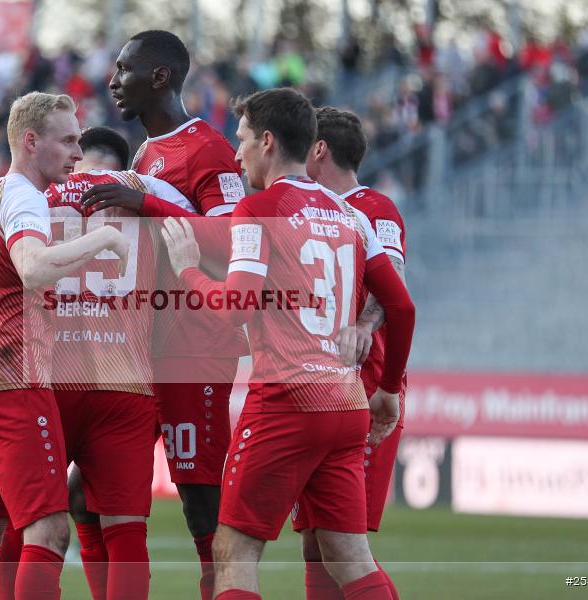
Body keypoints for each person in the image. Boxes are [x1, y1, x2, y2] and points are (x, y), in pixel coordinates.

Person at [159, 88, 415, 600]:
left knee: (233, 550)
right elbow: (402, 307)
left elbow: (236, 307)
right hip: (345, 405)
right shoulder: (353, 218)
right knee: (350, 557)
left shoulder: (258, 210)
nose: (237, 153)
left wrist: (188, 268)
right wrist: (387, 388)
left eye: (244, 139)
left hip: (285, 400)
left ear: (268, 142)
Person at [0, 92, 129, 600]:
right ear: (30, 140)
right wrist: (102, 240)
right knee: (49, 531)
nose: (77, 153)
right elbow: (35, 268)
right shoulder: (23, 195)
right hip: (12, 379)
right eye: (67, 140)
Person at [79, 30, 247, 600]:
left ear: (160, 77)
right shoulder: (148, 155)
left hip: (193, 352)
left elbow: (232, 241)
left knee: (203, 510)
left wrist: (142, 202)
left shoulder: (210, 149)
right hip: (143, 350)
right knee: (86, 492)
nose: (111, 81)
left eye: (122, 68)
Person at [0, 127, 193, 600]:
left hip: (50, 383)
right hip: (124, 385)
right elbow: (207, 227)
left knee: (26, 524)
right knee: (126, 532)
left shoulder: (34, 195)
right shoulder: (147, 190)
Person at [297, 107, 409, 599]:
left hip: (364, 389)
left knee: (344, 543)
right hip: (321, 390)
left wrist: (363, 326)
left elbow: (393, 286)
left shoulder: (373, 208)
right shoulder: (307, 207)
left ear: (318, 149)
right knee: (315, 541)